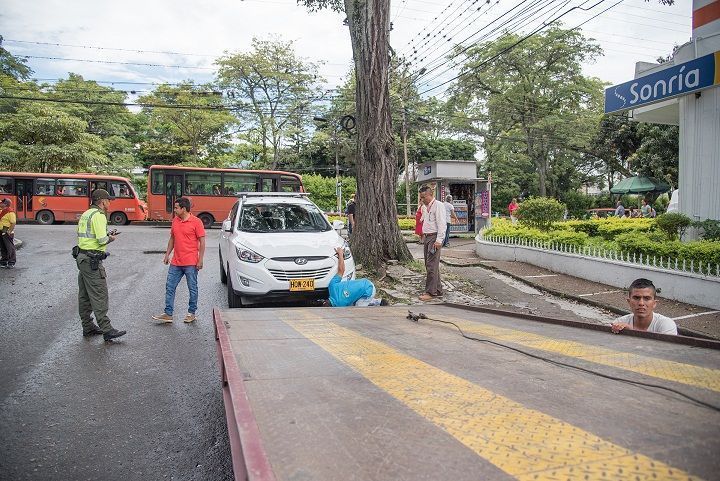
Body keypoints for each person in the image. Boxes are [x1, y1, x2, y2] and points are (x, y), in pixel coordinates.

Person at [75, 189, 126, 341]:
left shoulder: (86, 213)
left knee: (84, 296)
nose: (109, 203)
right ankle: (107, 329)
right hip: (92, 260)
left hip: (82, 257)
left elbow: (85, 234)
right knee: (99, 294)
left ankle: (88, 327)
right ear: (102, 201)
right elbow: (101, 240)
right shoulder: (99, 215)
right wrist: (111, 238)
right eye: (108, 201)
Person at [152, 197, 206, 323]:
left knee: (192, 288)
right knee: (170, 287)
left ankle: (191, 313)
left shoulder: (196, 222)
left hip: (191, 262)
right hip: (176, 262)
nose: (174, 210)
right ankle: (168, 313)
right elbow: (172, 238)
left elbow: (202, 242)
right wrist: (167, 255)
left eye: (176, 208)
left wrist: (200, 260)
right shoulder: (175, 220)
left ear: (184, 209)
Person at [611, 278, 678, 335]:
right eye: (636, 298)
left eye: (647, 298)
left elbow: (663, 349)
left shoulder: (666, 325)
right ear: (629, 302)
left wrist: (632, 332)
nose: (641, 303)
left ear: (654, 303)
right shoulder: (619, 323)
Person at [418, 185, 446, 301]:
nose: (422, 200)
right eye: (421, 198)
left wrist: (439, 240)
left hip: (435, 238)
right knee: (431, 265)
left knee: (431, 266)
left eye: (423, 197)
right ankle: (438, 289)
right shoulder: (426, 207)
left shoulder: (438, 205)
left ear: (430, 195)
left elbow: (442, 224)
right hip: (428, 237)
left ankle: (431, 292)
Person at [0, 198, 17, 268]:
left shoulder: (10, 212)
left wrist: (9, 231)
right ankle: (4, 261)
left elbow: (13, 222)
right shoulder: (2, 211)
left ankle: (11, 262)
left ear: (5, 204)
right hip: (1, 230)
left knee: (9, 247)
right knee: (3, 247)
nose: (0, 204)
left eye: (2, 203)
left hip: (6, 230)